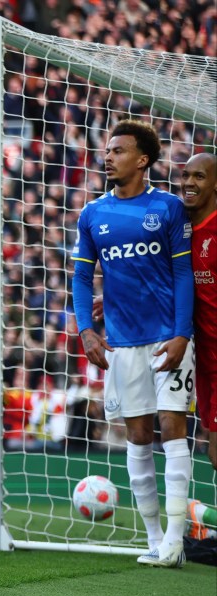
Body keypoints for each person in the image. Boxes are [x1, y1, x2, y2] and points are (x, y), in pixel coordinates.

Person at [71, 119, 195, 568]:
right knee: (138, 436)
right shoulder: (93, 215)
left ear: (142, 159)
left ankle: (177, 541)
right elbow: (82, 277)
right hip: (121, 342)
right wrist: (87, 329)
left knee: (172, 426)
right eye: (107, 150)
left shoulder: (167, 208)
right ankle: (156, 538)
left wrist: (182, 333)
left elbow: (183, 274)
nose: (108, 156)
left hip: (167, 337)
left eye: (118, 150)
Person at [182, 153, 217, 470]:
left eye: (200, 176)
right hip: (204, 362)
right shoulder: (180, 228)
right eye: (185, 175)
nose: (189, 182)